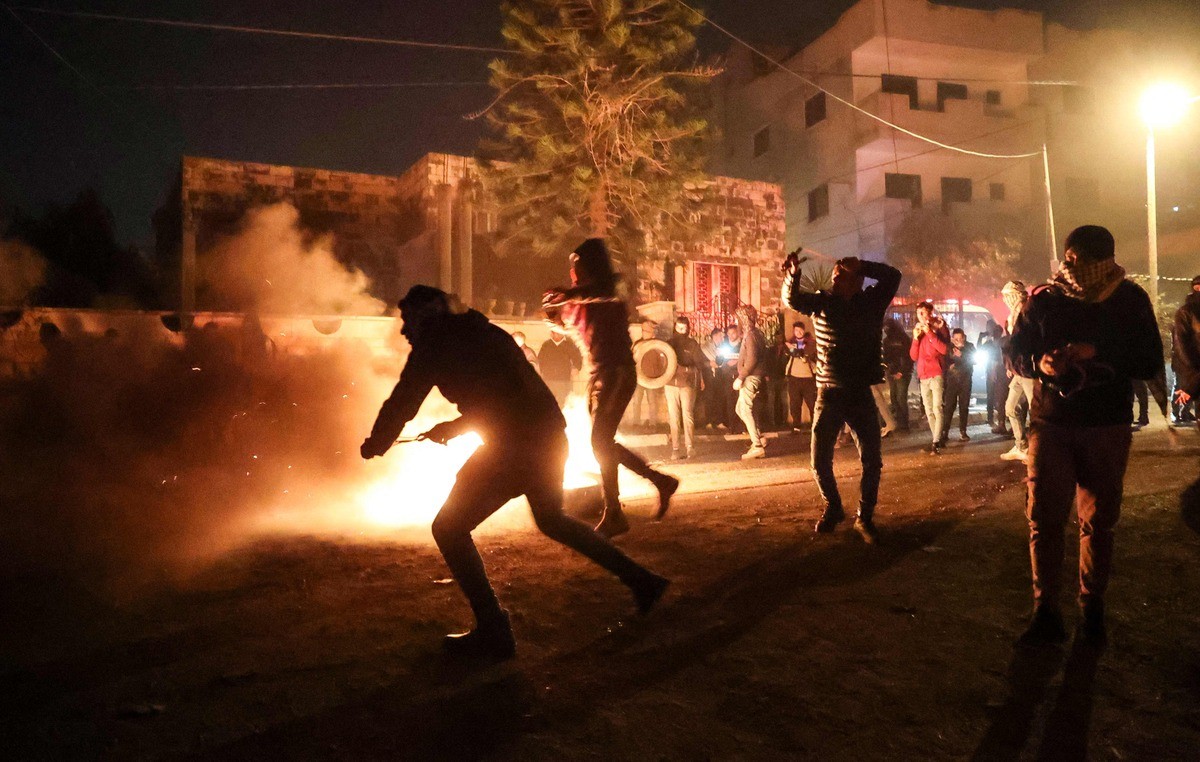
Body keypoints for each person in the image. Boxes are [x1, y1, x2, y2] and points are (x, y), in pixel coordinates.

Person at [361, 285, 668, 660]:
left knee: (449, 528)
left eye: (409, 319)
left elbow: (406, 399)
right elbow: (506, 397)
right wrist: (456, 426)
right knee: (552, 520)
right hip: (548, 437)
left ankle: (493, 628)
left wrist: (378, 441)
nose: (405, 329)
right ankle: (642, 581)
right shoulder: (484, 332)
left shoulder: (435, 345)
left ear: (428, 316)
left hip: (513, 447)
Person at [1007, 225, 1162, 647]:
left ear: (1103, 261)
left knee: (1098, 523)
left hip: (1106, 427)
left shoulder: (1130, 299)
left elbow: (1149, 359)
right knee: (1044, 520)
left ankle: (1092, 609)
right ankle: (1045, 610)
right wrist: (1040, 363)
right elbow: (1015, 351)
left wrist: (1097, 351)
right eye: (1069, 259)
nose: (1071, 267)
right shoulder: (1045, 299)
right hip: (1052, 424)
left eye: (1081, 260)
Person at [543, 239, 680, 538]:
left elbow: (599, 295)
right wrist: (551, 310)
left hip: (616, 372)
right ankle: (657, 483)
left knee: (600, 441)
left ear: (589, 266)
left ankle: (616, 510)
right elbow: (566, 323)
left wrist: (568, 296)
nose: (573, 271)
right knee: (602, 443)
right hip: (597, 377)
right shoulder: (581, 299)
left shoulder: (610, 290)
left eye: (578, 265)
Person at [782, 250, 902, 543]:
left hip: (860, 391)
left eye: (841, 277)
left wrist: (863, 265)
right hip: (829, 391)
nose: (834, 281)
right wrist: (792, 276)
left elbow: (893, 276)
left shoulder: (871, 303)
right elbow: (792, 300)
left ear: (857, 281)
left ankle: (865, 517)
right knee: (819, 459)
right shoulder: (823, 303)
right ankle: (833, 506)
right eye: (834, 277)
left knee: (872, 460)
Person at [1001, 281, 1036, 462]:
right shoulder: (1013, 315)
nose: (1006, 300)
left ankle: (1038, 449)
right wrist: (1010, 365)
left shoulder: (1026, 313)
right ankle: (1021, 445)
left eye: (1008, 296)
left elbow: (1023, 343)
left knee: (1035, 409)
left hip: (1027, 370)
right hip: (1018, 370)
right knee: (1010, 407)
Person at [910, 301, 949, 454]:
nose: (920, 316)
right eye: (918, 313)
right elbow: (913, 356)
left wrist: (930, 333)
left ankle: (936, 441)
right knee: (928, 410)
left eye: (923, 313)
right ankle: (936, 438)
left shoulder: (939, 327)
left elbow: (944, 349)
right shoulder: (918, 331)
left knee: (937, 407)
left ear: (930, 313)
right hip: (923, 375)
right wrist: (915, 339)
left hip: (936, 373)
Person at [663, 316, 705, 459]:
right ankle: (675, 449)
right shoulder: (668, 344)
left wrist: (691, 372)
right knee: (673, 416)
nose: (682, 331)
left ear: (688, 328)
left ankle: (689, 447)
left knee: (687, 415)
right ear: (675, 327)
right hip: (670, 384)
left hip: (687, 384)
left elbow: (699, 363)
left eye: (684, 328)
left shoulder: (692, 344)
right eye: (679, 328)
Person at [733, 304, 768, 459]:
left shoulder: (751, 335)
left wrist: (741, 377)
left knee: (745, 409)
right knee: (740, 409)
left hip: (750, 376)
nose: (737, 322)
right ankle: (758, 438)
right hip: (751, 375)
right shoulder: (754, 334)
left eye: (739, 319)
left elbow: (752, 358)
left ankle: (757, 445)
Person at [1173, 274, 1200, 425]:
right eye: (1197, 288)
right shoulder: (1186, 313)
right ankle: (1179, 413)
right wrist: (1191, 381)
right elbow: (1182, 347)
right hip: (1195, 373)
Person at [942, 328, 976, 442]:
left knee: (964, 406)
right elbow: (944, 360)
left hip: (965, 380)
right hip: (952, 380)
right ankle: (945, 432)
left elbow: (974, 360)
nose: (958, 341)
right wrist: (949, 366)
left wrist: (962, 355)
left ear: (964, 337)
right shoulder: (949, 347)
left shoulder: (969, 347)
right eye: (955, 339)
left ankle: (963, 431)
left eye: (960, 338)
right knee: (949, 407)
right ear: (952, 338)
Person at [629, 319, 663, 430]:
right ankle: (636, 423)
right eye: (643, 331)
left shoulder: (657, 345)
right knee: (636, 401)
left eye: (647, 331)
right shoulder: (637, 344)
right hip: (639, 378)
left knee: (652, 401)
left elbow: (661, 362)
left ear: (652, 333)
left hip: (651, 378)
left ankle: (653, 424)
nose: (644, 333)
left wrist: (658, 376)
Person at [784, 321, 818, 432]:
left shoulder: (810, 342)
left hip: (808, 378)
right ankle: (796, 426)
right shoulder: (790, 342)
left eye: (800, 330)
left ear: (804, 330)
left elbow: (806, 353)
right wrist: (794, 350)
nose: (798, 332)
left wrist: (795, 350)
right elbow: (788, 351)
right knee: (795, 403)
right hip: (794, 378)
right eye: (796, 330)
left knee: (812, 403)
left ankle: (815, 425)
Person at [538, 325, 583, 406]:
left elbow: (577, 358)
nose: (556, 335)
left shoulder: (569, 344)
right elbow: (540, 359)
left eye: (558, 333)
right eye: (554, 333)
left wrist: (576, 368)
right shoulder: (546, 345)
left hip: (563, 379)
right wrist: (541, 371)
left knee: (563, 400)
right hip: (549, 379)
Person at [882, 318, 913, 431]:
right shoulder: (886, 341)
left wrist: (901, 372)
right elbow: (886, 357)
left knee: (901, 398)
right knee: (894, 397)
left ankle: (904, 424)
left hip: (903, 373)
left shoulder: (904, 339)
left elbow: (908, 358)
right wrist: (887, 368)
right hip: (891, 371)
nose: (886, 329)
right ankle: (899, 421)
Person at [979, 322, 1008, 434]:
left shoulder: (1002, 342)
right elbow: (979, 349)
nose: (995, 334)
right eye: (994, 332)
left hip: (1000, 372)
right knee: (992, 395)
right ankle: (992, 418)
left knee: (1000, 397)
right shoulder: (990, 343)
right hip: (992, 371)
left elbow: (1001, 359)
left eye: (997, 332)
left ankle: (1001, 421)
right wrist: (980, 337)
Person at [700, 328, 726, 429]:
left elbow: (723, 361)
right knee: (709, 398)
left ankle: (719, 421)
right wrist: (709, 363)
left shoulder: (722, 348)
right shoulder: (705, 348)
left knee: (719, 398)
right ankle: (709, 421)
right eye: (721, 336)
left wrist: (719, 359)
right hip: (708, 376)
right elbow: (700, 362)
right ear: (714, 336)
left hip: (719, 376)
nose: (722, 339)